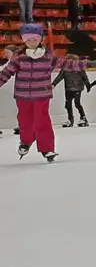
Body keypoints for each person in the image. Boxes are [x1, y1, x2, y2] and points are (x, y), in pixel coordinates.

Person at [2, 23, 90, 162]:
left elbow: (69, 64)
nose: (32, 42)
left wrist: (91, 63)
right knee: (25, 120)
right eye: (28, 39)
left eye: (35, 39)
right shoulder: (19, 58)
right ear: (24, 40)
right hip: (22, 95)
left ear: (40, 39)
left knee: (42, 121)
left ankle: (47, 148)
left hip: (41, 95)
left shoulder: (48, 57)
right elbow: (6, 73)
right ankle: (26, 141)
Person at [57, 27, 96, 127]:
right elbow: (59, 77)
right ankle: (70, 119)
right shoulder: (65, 69)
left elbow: (84, 77)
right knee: (68, 104)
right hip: (68, 88)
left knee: (77, 103)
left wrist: (88, 85)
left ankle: (83, 118)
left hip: (78, 87)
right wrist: (52, 84)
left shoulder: (79, 67)